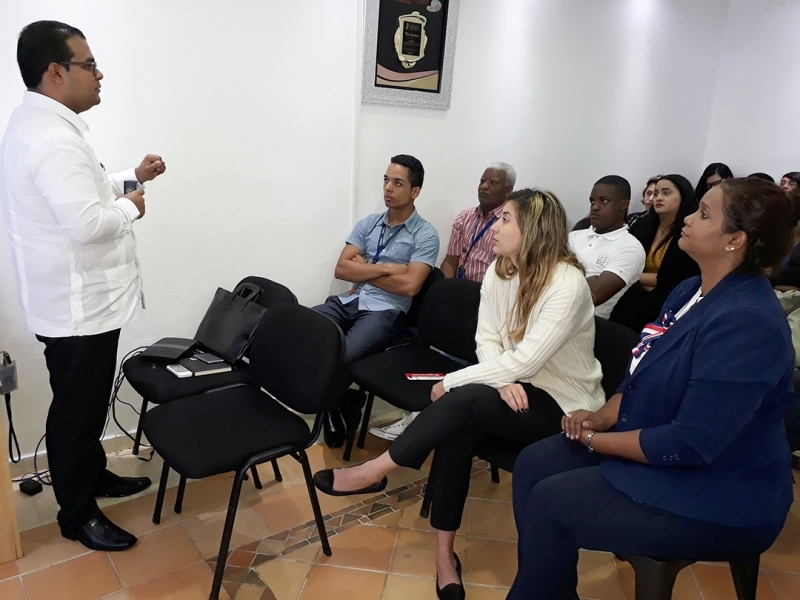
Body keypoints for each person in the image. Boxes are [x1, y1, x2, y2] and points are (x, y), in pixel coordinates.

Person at [507, 178, 795, 600]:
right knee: (534, 463)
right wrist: (601, 417)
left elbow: (690, 443)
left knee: (552, 503)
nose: (688, 218)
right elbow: (640, 374)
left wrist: (593, 440)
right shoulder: (688, 290)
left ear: (735, 240)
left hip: (718, 489)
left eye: (704, 214)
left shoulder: (746, 322)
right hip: (661, 446)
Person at [314, 189, 605, 600]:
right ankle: (443, 557)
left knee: (465, 398)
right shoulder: (502, 270)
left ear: (533, 230)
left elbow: (527, 359)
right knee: (459, 426)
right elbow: (487, 339)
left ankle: (374, 471)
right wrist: (501, 380)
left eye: (506, 219)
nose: (495, 226)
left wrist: (455, 380)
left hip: (563, 405)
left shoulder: (567, 284)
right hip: (515, 386)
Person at [0, 21, 166, 551]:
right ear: (56, 71)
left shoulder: (40, 124)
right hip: (77, 311)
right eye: (89, 64)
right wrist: (132, 207)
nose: (99, 74)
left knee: (84, 405)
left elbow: (80, 193)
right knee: (77, 412)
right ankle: (77, 514)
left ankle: (92, 477)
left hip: (71, 305)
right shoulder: (52, 138)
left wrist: (132, 177)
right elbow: (88, 223)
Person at [371, 162, 515, 442]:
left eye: (493, 183)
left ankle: (431, 420)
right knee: (439, 349)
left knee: (465, 358)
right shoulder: (465, 218)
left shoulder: (508, 226)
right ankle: (430, 416)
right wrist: (450, 294)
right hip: (462, 299)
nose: (484, 186)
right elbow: (450, 261)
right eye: (482, 180)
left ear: (508, 190)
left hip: (491, 302)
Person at [312, 154, 439, 448]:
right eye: (386, 180)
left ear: (415, 191)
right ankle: (343, 401)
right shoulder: (369, 224)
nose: (388, 188)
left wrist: (365, 268)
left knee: (344, 353)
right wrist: (388, 268)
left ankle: (326, 410)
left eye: (398, 183)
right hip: (351, 299)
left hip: (386, 310)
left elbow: (410, 286)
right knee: (307, 330)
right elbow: (342, 269)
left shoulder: (425, 234)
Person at [610, 175, 700, 332]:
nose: (657, 198)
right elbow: (622, 260)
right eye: (655, 193)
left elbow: (674, 279)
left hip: (669, 301)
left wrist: (629, 276)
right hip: (633, 295)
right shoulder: (642, 225)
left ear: (683, 197)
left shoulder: (690, 233)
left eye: (666, 193)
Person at [569, 176, 645, 319]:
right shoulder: (572, 237)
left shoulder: (630, 247)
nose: (595, 207)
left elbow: (593, 294)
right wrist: (586, 279)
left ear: (624, 205)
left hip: (586, 322)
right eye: (592, 201)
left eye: (604, 201)